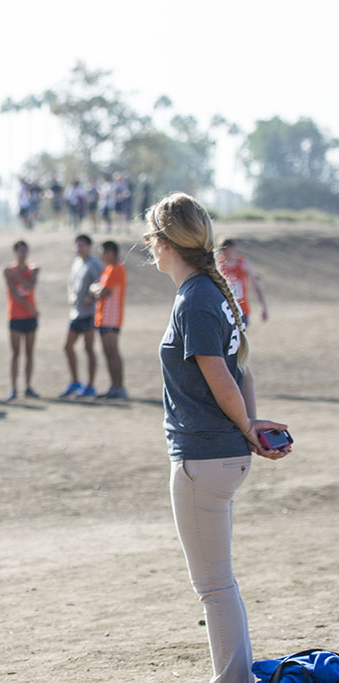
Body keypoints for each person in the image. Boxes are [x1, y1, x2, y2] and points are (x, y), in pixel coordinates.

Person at [144, 192, 291, 683]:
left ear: (164, 243)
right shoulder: (209, 293)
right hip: (218, 454)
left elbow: (221, 376)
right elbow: (240, 370)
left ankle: (233, 679)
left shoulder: (197, 298)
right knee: (219, 583)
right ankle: (237, 676)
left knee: (213, 585)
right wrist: (247, 426)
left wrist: (248, 426)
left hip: (203, 458)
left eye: (151, 236)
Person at [60, 235, 103, 398]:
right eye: (77, 245)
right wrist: (71, 295)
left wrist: (91, 297)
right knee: (67, 346)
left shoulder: (94, 264)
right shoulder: (77, 263)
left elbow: (100, 285)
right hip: (76, 312)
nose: (79, 248)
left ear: (89, 246)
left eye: (82, 245)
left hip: (89, 313)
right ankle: (75, 381)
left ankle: (90, 385)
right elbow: (71, 284)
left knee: (88, 348)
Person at [91, 241, 127, 399]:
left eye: (102, 251)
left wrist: (95, 289)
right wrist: (96, 289)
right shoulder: (107, 269)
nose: (100, 255)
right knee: (108, 353)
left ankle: (119, 387)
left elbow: (103, 291)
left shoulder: (116, 269)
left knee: (113, 353)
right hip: (103, 318)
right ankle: (114, 386)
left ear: (111, 252)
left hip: (111, 318)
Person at [4, 240, 40, 400]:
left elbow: (30, 286)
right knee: (15, 353)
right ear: (15, 252)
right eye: (20, 251)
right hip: (16, 316)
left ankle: (28, 386)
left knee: (29, 353)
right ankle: (13, 388)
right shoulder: (7, 270)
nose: (22, 254)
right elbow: (14, 294)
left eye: (25, 251)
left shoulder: (33, 269)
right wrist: (30, 307)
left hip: (30, 317)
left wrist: (16, 275)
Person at [217, 238, 268, 326]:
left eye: (230, 250)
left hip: (242, 310)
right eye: (225, 251)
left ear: (234, 249)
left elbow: (256, 286)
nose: (228, 254)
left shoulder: (244, 264)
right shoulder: (218, 266)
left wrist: (263, 307)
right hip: (224, 310)